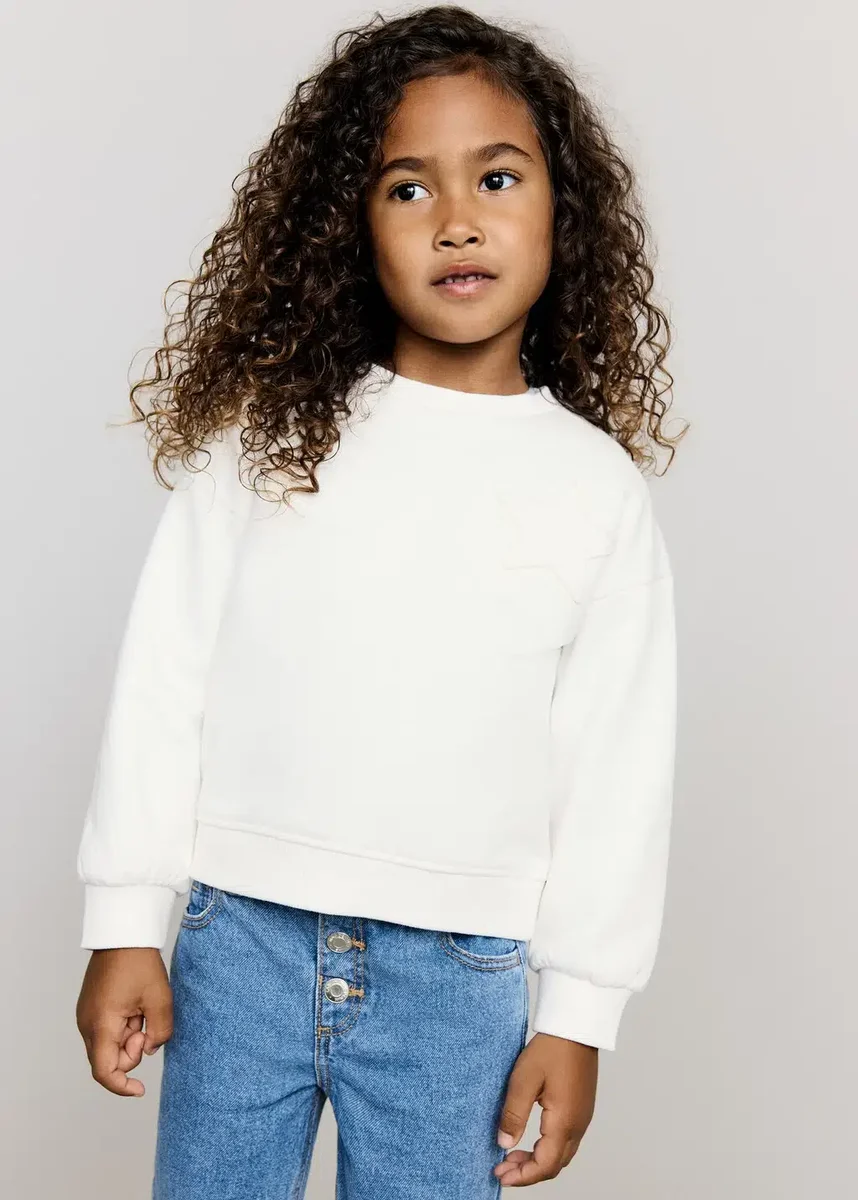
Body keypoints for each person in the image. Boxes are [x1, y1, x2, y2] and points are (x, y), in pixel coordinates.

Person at [74, 5, 686, 1195]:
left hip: (458, 982)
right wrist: (125, 919)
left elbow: (615, 768)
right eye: (408, 188)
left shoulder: (593, 491)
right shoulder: (267, 445)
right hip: (237, 944)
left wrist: (581, 1012)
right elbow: (164, 678)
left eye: (497, 177)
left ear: (563, 207)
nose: (457, 218)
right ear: (348, 229)